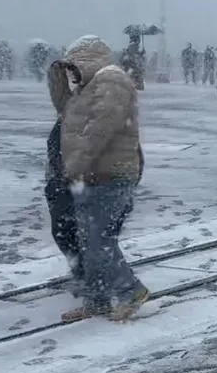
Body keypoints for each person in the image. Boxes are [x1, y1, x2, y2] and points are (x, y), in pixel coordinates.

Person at [49, 36, 148, 322]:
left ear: (86, 59)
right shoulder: (90, 86)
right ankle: (97, 300)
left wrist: (75, 165)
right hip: (92, 174)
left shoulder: (111, 81)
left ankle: (131, 292)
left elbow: (98, 131)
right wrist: (56, 83)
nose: (71, 73)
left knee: (97, 239)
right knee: (89, 240)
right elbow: (68, 116)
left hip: (110, 174)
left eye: (73, 66)